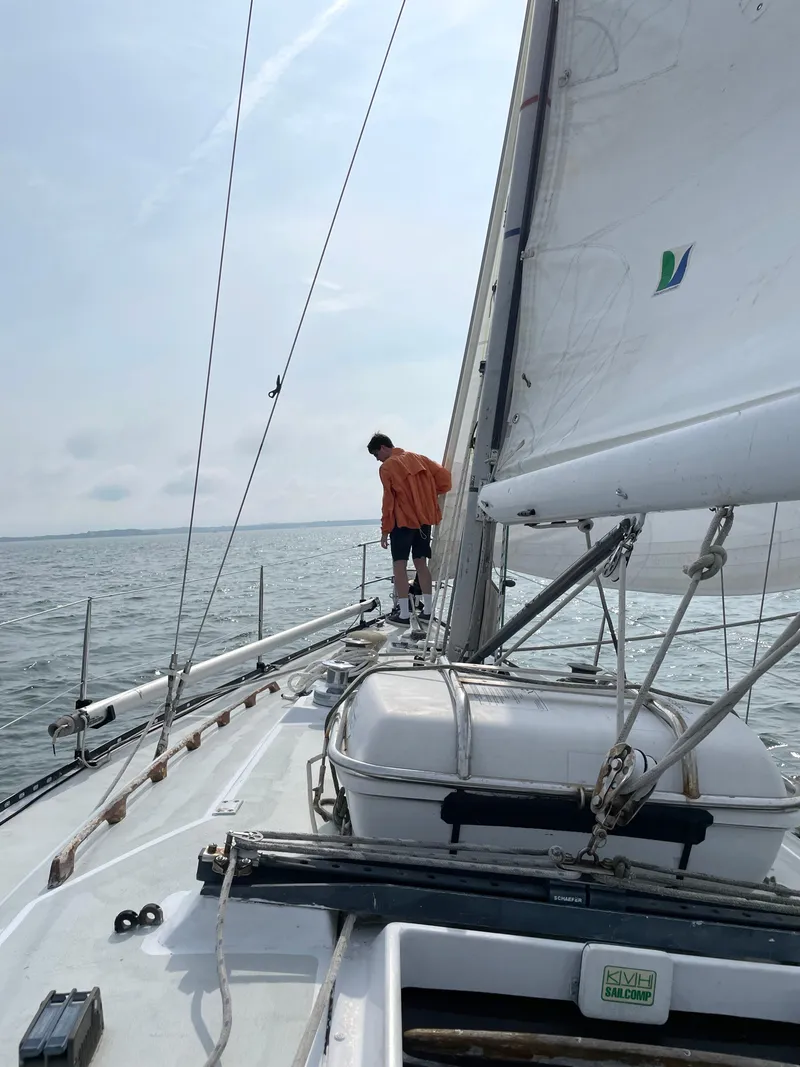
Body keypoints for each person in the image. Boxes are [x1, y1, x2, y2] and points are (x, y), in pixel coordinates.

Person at [367, 432, 452, 625]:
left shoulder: (387, 467)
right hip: (425, 521)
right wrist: (427, 493)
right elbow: (445, 480)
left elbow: (388, 502)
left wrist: (385, 530)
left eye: (375, 455)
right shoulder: (420, 458)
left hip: (403, 522)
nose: (377, 460)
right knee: (421, 563)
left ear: (382, 447)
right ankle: (428, 611)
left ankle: (404, 614)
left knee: (399, 566)